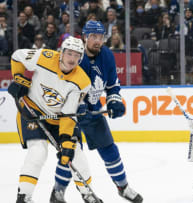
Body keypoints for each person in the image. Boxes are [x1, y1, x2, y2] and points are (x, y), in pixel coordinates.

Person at [50, 20, 143, 203]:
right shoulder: (75, 55)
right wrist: (76, 104)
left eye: (101, 37)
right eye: (93, 36)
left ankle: (122, 187)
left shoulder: (107, 55)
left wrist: (114, 101)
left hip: (92, 111)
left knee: (110, 149)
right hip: (69, 115)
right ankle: (58, 191)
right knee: (70, 153)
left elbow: (112, 85)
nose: (97, 41)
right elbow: (61, 83)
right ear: (85, 37)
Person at [7, 36, 98, 203]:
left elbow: (68, 113)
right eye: (69, 53)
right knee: (38, 151)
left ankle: (87, 193)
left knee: (76, 153)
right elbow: (17, 56)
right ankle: (24, 197)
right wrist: (19, 79)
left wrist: (65, 141)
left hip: (59, 119)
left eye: (77, 55)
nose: (72, 59)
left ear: (81, 58)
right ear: (61, 53)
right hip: (32, 110)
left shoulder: (82, 81)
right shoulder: (44, 57)